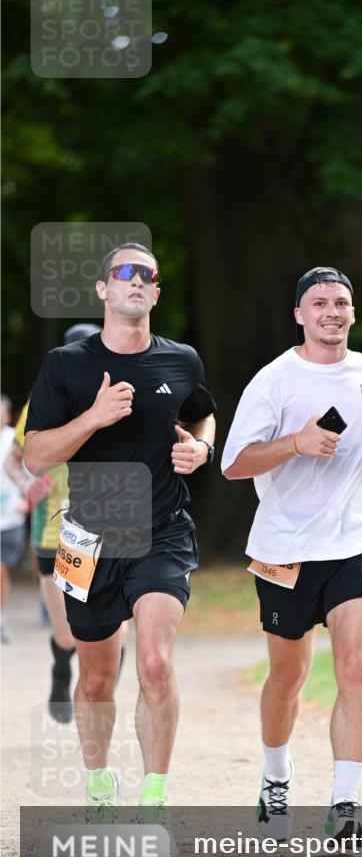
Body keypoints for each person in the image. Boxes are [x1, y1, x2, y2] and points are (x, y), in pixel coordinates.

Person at [23, 243, 217, 817]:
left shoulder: (181, 360)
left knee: (155, 661)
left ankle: (154, 800)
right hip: (88, 536)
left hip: (162, 531)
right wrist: (94, 417)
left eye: (147, 274)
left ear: (155, 293)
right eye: (124, 272)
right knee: (97, 678)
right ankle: (100, 783)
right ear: (104, 289)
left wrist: (200, 446)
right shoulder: (67, 364)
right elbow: (35, 456)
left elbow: (200, 410)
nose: (136, 280)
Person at [221, 266, 362, 842]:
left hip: (355, 541)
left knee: (355, 667)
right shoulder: (274, 380)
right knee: (287, 675)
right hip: (286, 548)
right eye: (319, 302)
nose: (332, 311)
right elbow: (232, 463)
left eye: (342, 302)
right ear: (299, 314)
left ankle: (344, 808)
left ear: (352, 312)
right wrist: (295, 442)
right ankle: (276, 777)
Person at [5, 324, 128, 723]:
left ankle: (99, 700)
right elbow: (14, 457)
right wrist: (27, 484)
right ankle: (61, 670)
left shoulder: (120, 400)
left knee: (112, 630)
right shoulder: (43, 401)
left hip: (109, 533)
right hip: (53, 533)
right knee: (66, 633)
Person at [0, 395, 27, 644]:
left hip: (10, 518)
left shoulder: (13, 438)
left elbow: (31, 467)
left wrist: (26, 499)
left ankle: (0, 616)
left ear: (7, 416)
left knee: (1, 570)